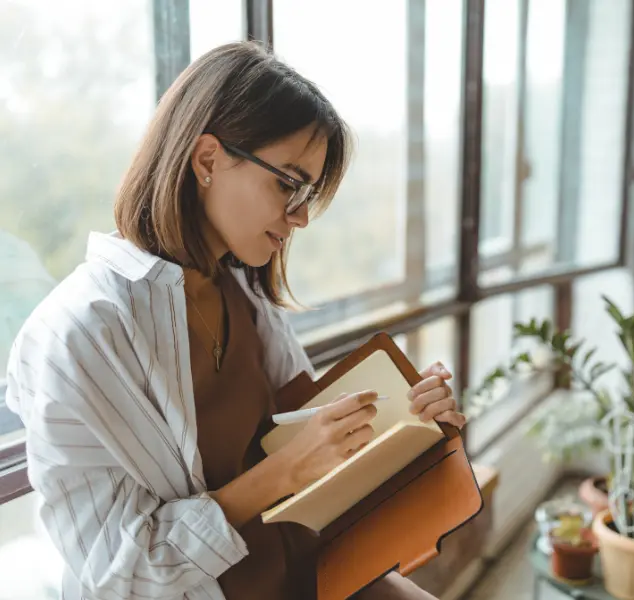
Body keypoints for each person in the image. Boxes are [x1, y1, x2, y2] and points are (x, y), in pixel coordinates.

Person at [5, 41, 466, 600]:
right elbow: (117, 577)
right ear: (207, 160)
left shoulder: (243, 293)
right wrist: (283, 474)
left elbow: (312, 436)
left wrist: (410, 418)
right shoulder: (77, 335)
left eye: (309, 195)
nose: (299, 217)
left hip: (312, 570)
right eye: (288, 183)